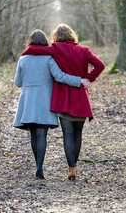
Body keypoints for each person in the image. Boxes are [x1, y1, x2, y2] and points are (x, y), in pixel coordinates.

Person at [21, 24, 105, 181]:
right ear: (72, 35)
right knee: (78, 134)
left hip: (63, 99)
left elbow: (35, 50)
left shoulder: (55, 48)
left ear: (56, 37)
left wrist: (25, 52)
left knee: (67, 134)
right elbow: (100, 65)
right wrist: (88, 78)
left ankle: (70, 168)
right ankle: (73, 168)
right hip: (81, 97)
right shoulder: (84, 50)